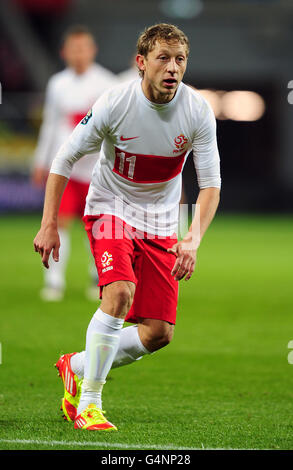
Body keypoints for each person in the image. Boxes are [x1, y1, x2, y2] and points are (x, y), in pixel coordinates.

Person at [34, 23, 221, 431]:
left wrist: (193, 237)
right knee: (119, 294)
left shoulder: (197, 111)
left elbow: (210, 186)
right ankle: (90, 402)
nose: (173, 68)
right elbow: (63, 160)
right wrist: (50, 223)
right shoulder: (114, 103)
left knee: (158, 333)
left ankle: (76, 364)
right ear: (141, 63)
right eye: (163, 58)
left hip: (160, 221)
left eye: (180, 60)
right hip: (109, 207)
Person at [31, 25, 117, 301]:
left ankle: (99, 279)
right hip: (65, 168)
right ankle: (54, 281)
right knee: (58, 223)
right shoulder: (57, 84)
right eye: (74, 48)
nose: (79, 54)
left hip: (98, 170)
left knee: (100, 227)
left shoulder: (108, 84)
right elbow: (50, 125)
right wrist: (41, 160)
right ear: (64, 52)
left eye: (84, 48)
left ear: (93, 50)